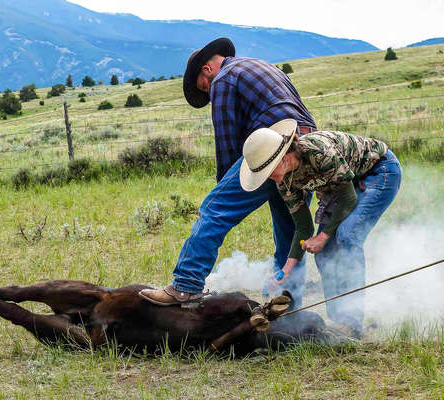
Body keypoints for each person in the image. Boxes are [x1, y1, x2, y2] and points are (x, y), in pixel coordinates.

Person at [139, 38, 316, 308]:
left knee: (215, 209)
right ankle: (287, 305)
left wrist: (225, 190)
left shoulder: (223, 79)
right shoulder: (265, 67)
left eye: (204, 87)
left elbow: (228, 144)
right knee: (290, 229)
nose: (209, 92)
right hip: (309, 147)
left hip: (275, 147)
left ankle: (185, 285)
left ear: (207, 70)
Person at [238, 119, 402, 336]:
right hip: (341, 186)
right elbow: (303, 226)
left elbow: (349, 199)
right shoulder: (283, 182)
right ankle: (339, 322)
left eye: (268, 170)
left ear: (284, 158)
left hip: (379, 171)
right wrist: (285, 271)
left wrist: (323, 236)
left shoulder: (318, 152)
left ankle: (351, 322)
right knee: (324, 252)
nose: (267, 177)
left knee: (347, 236)